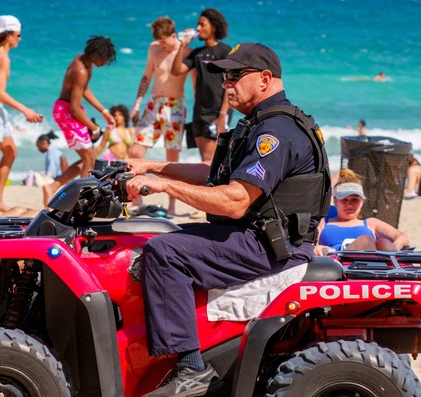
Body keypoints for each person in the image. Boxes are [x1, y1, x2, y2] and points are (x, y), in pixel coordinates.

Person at [124, 43, 331, 396]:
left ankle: (191, 369)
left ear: (265, 79)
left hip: (266, 245)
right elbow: (214, 173)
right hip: (257, 236)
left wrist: (163, 186)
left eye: (235, 75)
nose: (225, 83)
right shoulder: (263, 123)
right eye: (223, 76)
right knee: (151, 236)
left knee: (165, 251)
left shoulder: (275, 133)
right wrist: (151, 166)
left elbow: (235, 201)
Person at [0, 15, 44, 214]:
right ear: (9, 35)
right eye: (18, 35)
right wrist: (26, 110)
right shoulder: (1, 57)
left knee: (11, 151)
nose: (20, 39)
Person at [130, 17, 191, 215]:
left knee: (171, 158)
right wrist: (138, 103)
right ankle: (136, 199)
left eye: (165, 41)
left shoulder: (186, 52)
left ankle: (172, 204)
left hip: (175, 105)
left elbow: (198, 83)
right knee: (136, 151)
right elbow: (147, 76)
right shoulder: (154, 48)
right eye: (159, 41)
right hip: (153, 103)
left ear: (174, 35)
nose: (162, 45)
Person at [52, 36, 117, 180]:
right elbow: (75, 109)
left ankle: (53, 187)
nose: (105, 62)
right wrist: (94, 128)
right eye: (104, 58)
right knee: (90, 159)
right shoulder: (81, 70)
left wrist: (104, 111)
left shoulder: (85, 61)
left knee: (88, 158)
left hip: (68, 109)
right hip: (66, 111)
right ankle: (81, 198)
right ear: (96, 55)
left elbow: (84, 89)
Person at [171, 8, 231, 162]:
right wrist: (182, 46)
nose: (198, 28)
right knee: (203, 159)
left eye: (202, 24)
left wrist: (222, 116)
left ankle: (210, 187)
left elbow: (230, 85)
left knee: (209, 161)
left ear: (214, 27)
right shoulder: (197, 53)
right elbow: (176, 70)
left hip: (217, 113)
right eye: (197, 25)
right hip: (199, 113)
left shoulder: (225, 52)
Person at [316, 169, 408, 255]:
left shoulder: (371, 223)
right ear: (335, 202)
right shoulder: (323, 223)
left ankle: (394, 264)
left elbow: (402, 237)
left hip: (372, 262)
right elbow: (310, 245)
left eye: (355, 200)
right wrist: (315, 247)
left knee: (383, 243)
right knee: (366, 240)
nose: (350, 204)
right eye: (344, 200)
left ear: (362, 202)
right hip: (337, 262)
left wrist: (394, 247)